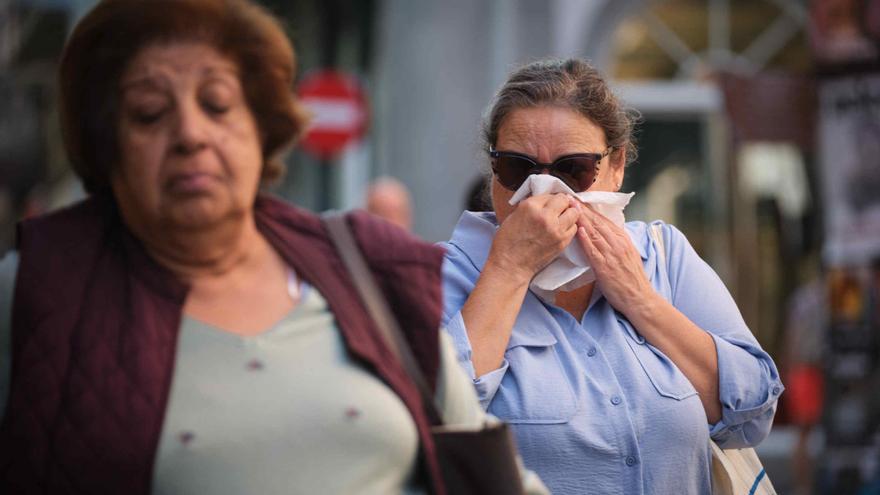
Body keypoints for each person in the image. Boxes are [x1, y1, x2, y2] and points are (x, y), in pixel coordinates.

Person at [0, 1, 546, 494]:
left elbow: (490, 472)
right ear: (107, 146)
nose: (190, 133)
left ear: (262, 129)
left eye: (217, 105)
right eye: (148, 114)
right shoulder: (34, 290)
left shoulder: (361, 267)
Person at [440, 58, 784, 494]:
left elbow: (753, 412)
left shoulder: (663, 256)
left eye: (574, 170)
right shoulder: (445, 273)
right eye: (517, 169)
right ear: (493, 172)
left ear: (616, 166)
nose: (543, 191)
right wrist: (508, 269)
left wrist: (641, 300)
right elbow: (434, 424)